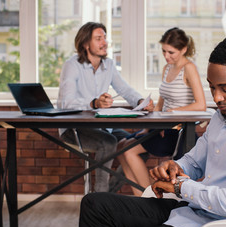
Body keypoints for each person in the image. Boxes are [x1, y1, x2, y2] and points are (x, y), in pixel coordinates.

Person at [77, 37, 226, 227]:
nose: (217, 97)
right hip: (190, 210)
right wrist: (175, 168)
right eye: (212, 87)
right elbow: (193, 162)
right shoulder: (222, 117)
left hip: (221, 226)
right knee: (94, 205)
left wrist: (182, 188)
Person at [57, 22, 154, 193]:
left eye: (105, 38)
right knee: (108, 143)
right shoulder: (72, 65)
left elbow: (124, 89)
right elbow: (66, 102)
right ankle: (100, 198)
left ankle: (106, 194)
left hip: (103, 126)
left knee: (139, 144)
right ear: (86, 44)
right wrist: (94, 103)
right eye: (98, 38)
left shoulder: (108, 65)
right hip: (75, 128)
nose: (105, 42)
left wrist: (140, 101)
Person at [117, 27, 206, 196]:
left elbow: (200, 104)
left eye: (171, 52)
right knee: (121, 146)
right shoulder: (167, 68)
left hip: (178, 132)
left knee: (128, 150)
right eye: (164, 51)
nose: (166, 56)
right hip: (162, 127)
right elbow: (161, 102)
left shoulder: (189, 68)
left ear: (184, 49)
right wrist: (148, 126)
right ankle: (141, 198)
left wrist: (172, 112)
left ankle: (150, 196)